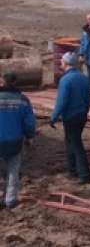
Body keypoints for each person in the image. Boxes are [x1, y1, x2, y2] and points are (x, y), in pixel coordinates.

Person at [51, 52, 90, 184]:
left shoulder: (65, 80)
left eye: (62, 61)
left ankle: (85, 175)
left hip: (71, 117)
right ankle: (72, 170)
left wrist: (54, 117)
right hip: (81, 115)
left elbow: (61, 101)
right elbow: (88, 99)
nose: (60, 63)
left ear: (67, 63)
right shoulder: (84, 78)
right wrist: (85, 112)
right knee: (70, 142)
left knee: (75, 144)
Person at [0, 72, 36, 210]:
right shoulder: (23, 100)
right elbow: (29, 123)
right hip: (14, 141)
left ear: (3, 82)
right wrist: (30, 136)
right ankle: (10, 200)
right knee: (13, 171)